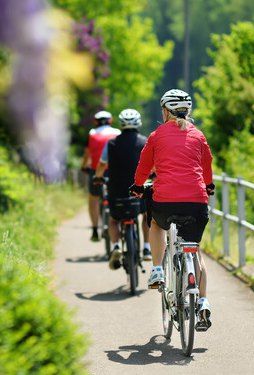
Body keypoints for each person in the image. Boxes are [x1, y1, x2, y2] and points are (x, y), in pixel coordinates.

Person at [129, 89, 216, 331]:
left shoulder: (156, 135)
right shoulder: (198, 136)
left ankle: (157, 269)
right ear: (188, 112)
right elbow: (206, 166)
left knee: (156, 223)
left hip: (165, 200)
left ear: (165, 111)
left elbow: (144, 165)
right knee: (194, 250)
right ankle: (203, 301)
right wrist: (207, 186)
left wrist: (137, 187)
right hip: (197, 203)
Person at [92, 109, 152, 269]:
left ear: (121, 125)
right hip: (139, 189)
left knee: (114, 219)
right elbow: (152, 163)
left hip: (117, 189)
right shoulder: (144, 141)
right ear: (138, 124)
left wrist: (97, 177)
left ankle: (115, 246)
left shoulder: (111, 143)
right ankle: (147, 248)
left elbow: (102, 164)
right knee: (146, 215)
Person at [81, 110, 121, 242]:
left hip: (97, 170)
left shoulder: (92, 134)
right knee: (116, 196)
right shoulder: (117, 132)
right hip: (115, 170)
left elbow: (87, 152)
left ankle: (94, 229)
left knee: (94, 198)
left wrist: (84, 166)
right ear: (110, 121)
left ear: (96, 122)